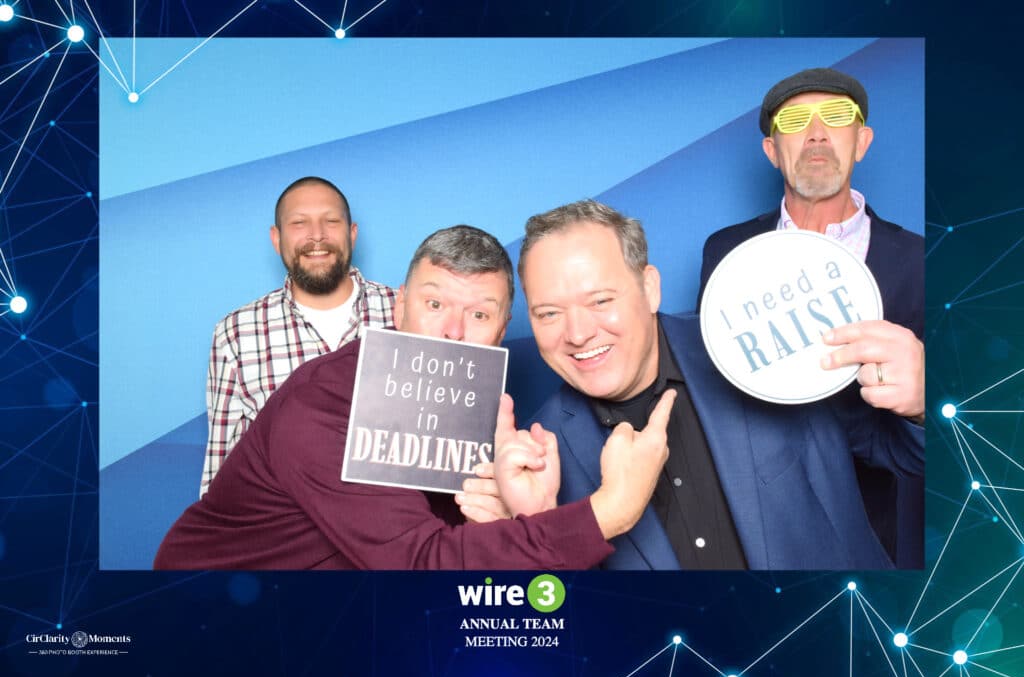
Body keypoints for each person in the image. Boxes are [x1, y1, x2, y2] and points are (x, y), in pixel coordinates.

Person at [155, 225, 675, 570]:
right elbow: (421, 566)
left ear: (500, 331)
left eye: (478, 315)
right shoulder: (323, 406)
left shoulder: (483, 414)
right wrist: (611, 510)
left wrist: (529, 515)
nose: (452, 332)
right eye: (434, 303)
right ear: (399, 307)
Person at [517, 199, 923, 570]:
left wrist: (923, 404)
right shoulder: (535, 463)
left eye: (600, 301)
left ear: (649, 288)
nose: (577, 332)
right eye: (549, 313)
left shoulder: (763, 342)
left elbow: (907, 456)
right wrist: (526, 534)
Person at [695, 68, 925, 567]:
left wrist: (928, 399)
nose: (817, 132)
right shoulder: (726, 253)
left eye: (837, 117)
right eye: (795, 120)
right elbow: (711, 384)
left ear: (861, 142)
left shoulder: (921, 261)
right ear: (772, 151)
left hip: (879, 525)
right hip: (758, 522)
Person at [202, 176, 396, 496]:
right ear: (276, 239)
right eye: (299, 223)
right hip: (288, 537)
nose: (317, 235)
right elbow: (222, 470)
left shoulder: (403, 314)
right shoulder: (236, 334)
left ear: (352, 234)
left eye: (331, 221)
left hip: (394, 532)